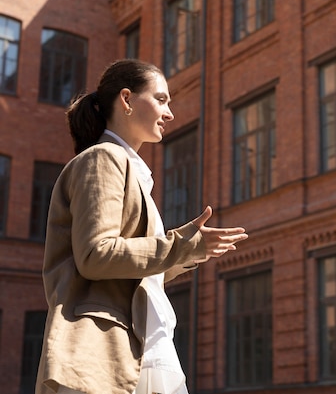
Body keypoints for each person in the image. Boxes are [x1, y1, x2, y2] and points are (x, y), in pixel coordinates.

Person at [36, 59, 248, 394]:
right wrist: (182, 245)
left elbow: (134, 272)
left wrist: (191, 251)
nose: (170, 113)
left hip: (140, 347)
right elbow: (96, 254)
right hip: (107, 353)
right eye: (161, 99)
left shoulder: (131, 171)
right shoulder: (103, 158)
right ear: (127, 99)